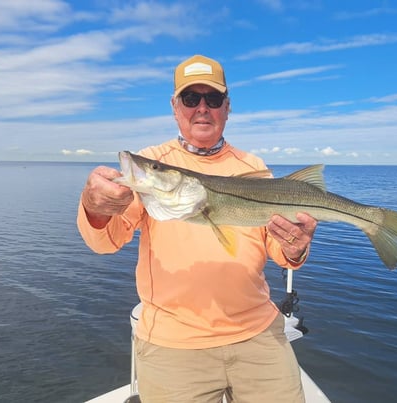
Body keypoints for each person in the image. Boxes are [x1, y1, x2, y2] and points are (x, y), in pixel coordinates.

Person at [77, 54, 318, 403]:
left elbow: (279, 250)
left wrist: (295, 248)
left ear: (227, 107)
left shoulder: (253, 167)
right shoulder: (152, 165)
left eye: (213, 99)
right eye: (191, 99)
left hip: (259, 333)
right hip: (174, 344)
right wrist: (94, 208)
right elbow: (105, 242)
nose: (202, 108)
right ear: (175, 107)